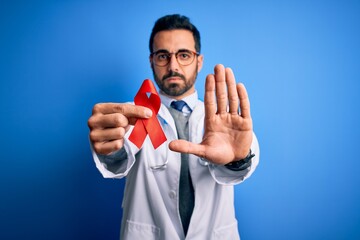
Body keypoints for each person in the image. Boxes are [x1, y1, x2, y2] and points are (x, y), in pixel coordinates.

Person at [88, 14, 260, 240]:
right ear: (151, 61)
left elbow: (238, 166)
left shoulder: (224, 120)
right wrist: (110, 149)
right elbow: (118, 160)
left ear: (199, 60)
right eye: (162, 56)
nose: (173, 65)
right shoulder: (130, 115)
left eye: (184, 55)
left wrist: (237, 159)